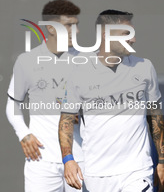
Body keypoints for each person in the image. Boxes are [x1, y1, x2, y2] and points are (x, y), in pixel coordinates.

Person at [58, 10, 164, 191]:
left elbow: (155, 116)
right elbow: (66, 120)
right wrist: (68, 160)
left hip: (137, 171)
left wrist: (161, 161)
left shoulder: (145, 67)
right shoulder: (79, 72)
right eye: (127, 34)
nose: (133, 39)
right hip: (96, 175)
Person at [6, 0, 85, 192]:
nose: (76, 31)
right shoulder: (27, 61)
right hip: (40, 160)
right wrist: (23, 133)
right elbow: (12, 104)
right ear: (51, 28)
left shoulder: (87, 60)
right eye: (69, 25)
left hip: (80, 158)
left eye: (76, 25)